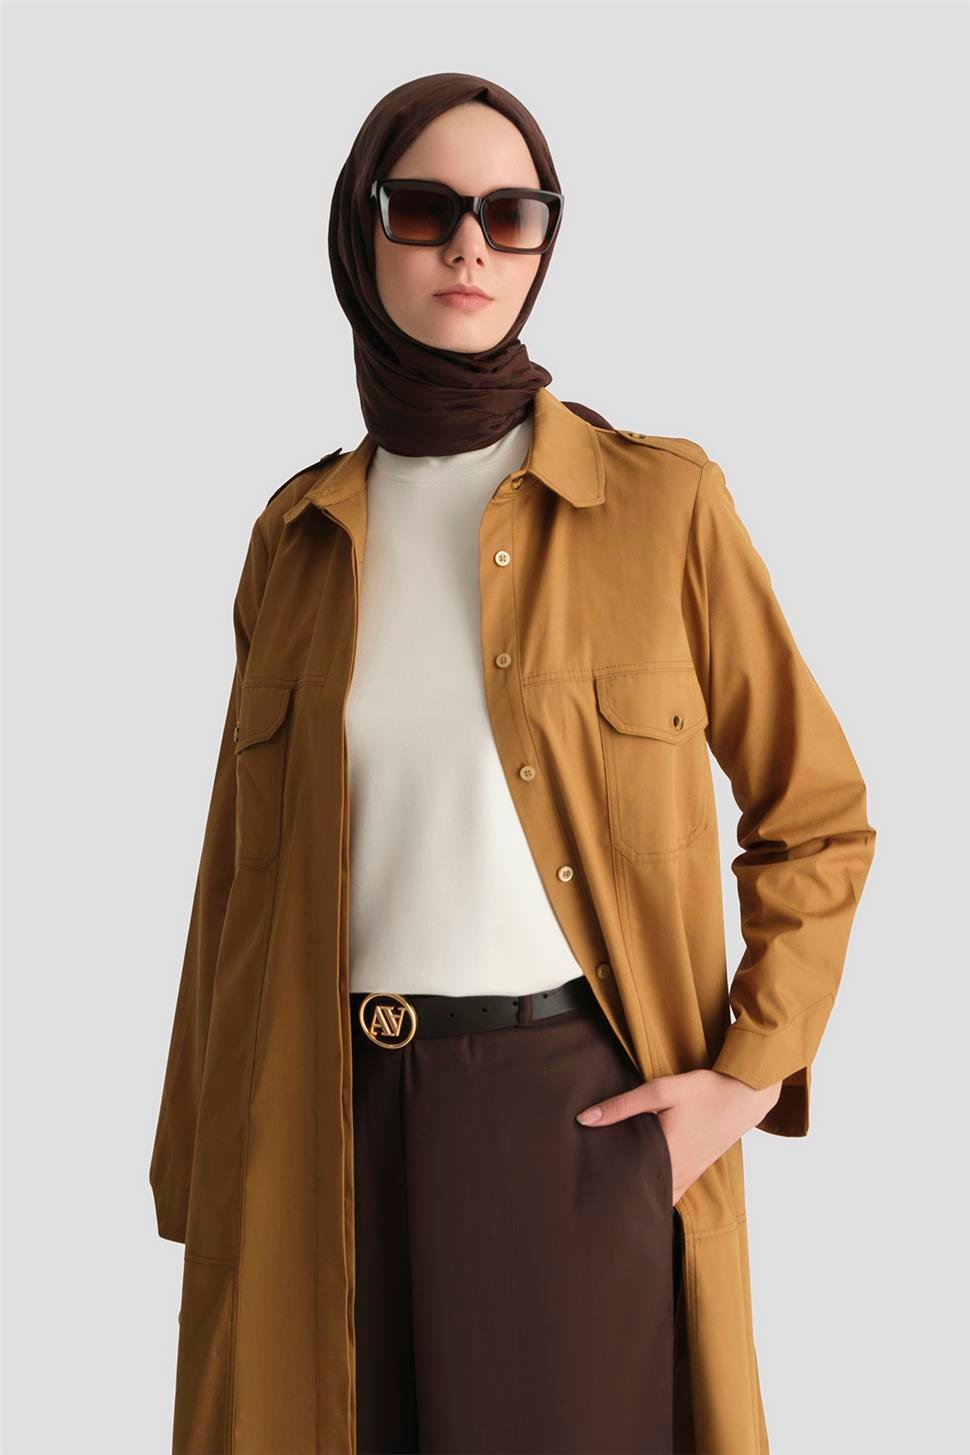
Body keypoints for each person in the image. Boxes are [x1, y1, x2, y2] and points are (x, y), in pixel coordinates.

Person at [149, 73, 876, 1455]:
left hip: (572, 1120)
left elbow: (817, 817)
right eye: (425, 210)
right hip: (315, 1118)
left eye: (511, 212)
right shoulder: (296, 535)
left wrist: (745, 1079)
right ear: (361, 233)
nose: (470, 247)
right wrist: (201, 1164)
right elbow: (233, 879)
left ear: (546, 239)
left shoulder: (658, 503)